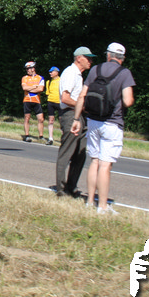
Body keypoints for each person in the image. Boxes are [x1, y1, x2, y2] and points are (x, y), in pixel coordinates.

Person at [71, 42, 135, 214]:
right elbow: (128, 101)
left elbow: (82, 95)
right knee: (105, 165)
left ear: (108, 55)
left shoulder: (95, 70)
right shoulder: (124, 73)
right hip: (112, 123)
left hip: (93, 121)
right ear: (122, 58)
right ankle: (103, 206)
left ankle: (90, 201)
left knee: (94, 161)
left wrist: (76, 119)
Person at [55, 47, 94, 197]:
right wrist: (82, 106)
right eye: (88, 58)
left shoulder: (78, 75)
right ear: (79, 58)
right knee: (67, 151)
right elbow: (65, 98)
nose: (90, 61)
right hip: (70, 115)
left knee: (80, 153)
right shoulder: (70, 73)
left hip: (79, 115)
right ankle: (61, 188)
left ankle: (71, 187)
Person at [21, 61, 46, 143]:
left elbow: (40, 89)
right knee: (27, 117)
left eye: (28, 68)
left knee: (41, 119)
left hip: (36, 100)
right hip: (27, 100)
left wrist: (30, 88)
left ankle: (41, 136)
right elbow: (24, 88)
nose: (27, 70)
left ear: (33, 68)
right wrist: (35, 86)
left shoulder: (40, 78)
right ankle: (27, 135)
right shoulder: (24, 78)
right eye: (26, 69)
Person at [43, 66, 61, 145]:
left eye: (51, 72)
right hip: (51, 102)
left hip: (59, 102)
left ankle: (63, 138)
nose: (50, 73)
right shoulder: (48, 82)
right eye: (50, 72)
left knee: (61, 120)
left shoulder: (61, 81)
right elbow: (47, 93)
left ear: (56, 72)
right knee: (51, 120)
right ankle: (50, 138)